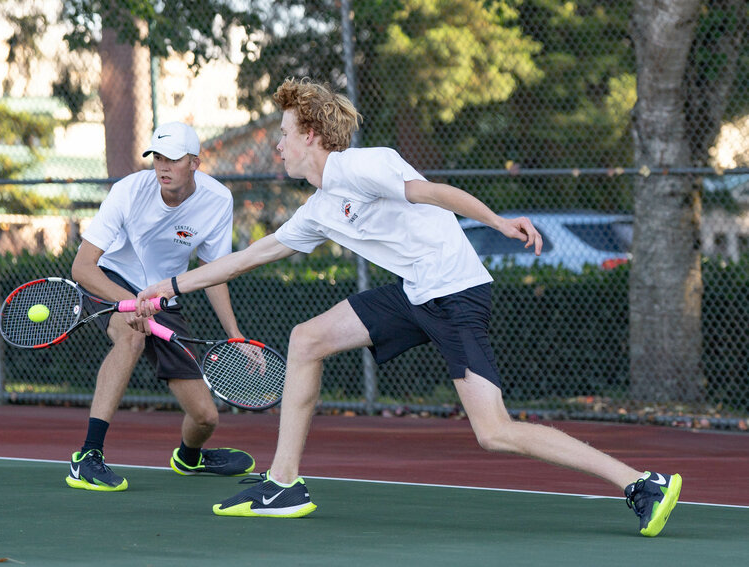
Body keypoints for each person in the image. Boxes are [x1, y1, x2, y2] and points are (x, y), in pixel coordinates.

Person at [134, 79, 682, 536]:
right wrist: (166, 288)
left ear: (313, 137)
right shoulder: (321, 207)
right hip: (414, 291)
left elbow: (435, 192)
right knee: (306, 339)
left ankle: (641, 482)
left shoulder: (361, 166)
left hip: (454, 293)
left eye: (283, 135)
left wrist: (496, 221)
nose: (276, 146)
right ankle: (283, 483)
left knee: (493, 431)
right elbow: (248, 257)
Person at [66, 121, 255, 492]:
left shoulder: (217, 201)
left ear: (195, 163)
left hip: (162, 295)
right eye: (157, 158)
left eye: (173, 159)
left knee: (205, 417)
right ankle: (87, 457)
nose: (163, 167)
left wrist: (235, 335)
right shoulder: (129, 192)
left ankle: (190, 457)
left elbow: (213, 272)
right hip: (112, 278)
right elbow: (81, 266)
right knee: (131, 340)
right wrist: (126, 302)